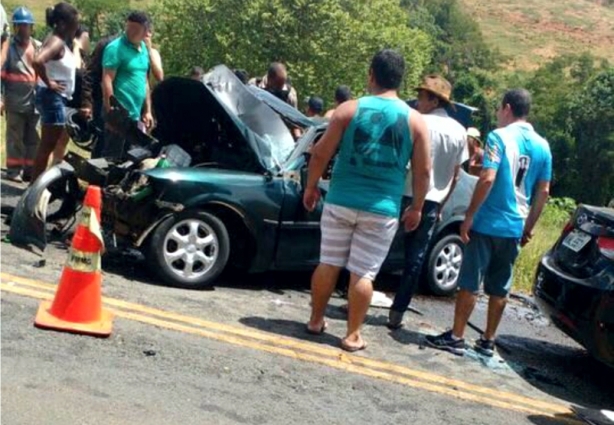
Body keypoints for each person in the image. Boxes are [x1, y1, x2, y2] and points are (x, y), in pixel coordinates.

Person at [303, 49, 431, 352]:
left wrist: (310, 187)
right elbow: (424, 171)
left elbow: (321, 152)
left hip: (341, 199)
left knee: (328, 262)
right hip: (381, 208)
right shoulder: (415, 121)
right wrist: (417, 207)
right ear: (400, 79)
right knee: (363, 273)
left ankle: (316, 320)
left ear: (371, 74)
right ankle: (352, 335)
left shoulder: (348, 110)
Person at [426, 89, 552, 357]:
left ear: (507, 108)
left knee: (470, 281)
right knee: (501, 285)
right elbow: (543, 192)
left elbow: (487, 178)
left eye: (498, 109)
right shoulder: (543, 146)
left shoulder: (499, 137)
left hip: (488, 222)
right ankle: (488, 340)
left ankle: (457, 336)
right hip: (515, 225)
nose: (497, 114)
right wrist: (529, 227)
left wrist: (469, 215)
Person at [387, 75, 468, 329]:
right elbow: (455, 175)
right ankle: (397, 312)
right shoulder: (459, 131)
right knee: (415, 258)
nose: (418, 101)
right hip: (433, 203)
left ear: (434, 100)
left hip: (405, 195)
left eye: (422, 96)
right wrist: (441, 205)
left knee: (379, 247)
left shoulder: (418, 122)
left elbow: (402, 161)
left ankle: (358, 296)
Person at [31, 2, 79, 183]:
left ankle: (39, 186)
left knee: (50, 145)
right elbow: (37, 61)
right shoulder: (57, 42)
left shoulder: (58, 41)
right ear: (63, 23)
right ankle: (33, 190)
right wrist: (49, 82)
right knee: (47, 146)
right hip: (53, 98)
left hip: (56, 98)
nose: (77, 26)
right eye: (75, 22)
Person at [100, 11, 152, 157]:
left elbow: (144, 81)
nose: (131, 32)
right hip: (118, 112)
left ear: (146, 31)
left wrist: (147, 110)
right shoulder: (115, 48)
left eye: (136, 29)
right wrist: (111, 111)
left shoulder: (143, 50)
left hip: (134, 115)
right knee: (112, 156)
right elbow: (107, 79)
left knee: (131, 157)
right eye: (129, 27)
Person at [0, 7, 41, 182]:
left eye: (27, 26)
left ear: (31, 27)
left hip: (35, 102)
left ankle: (29, 170)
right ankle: (14, 170)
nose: (24, 29)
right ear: (15, 27)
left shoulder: (38, 47)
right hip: (15, 101)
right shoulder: (8, 49)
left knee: (34, 139)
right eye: (20, 26)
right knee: (15, 138)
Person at [51, 24, 93, 164]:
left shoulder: (85, 57)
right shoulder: (70, 53)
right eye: (86, 38)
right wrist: (76, 46)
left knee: (63, 140)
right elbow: (76, 72)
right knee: (60, 140)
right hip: (67, 103)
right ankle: (53, 169)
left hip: (77, 105)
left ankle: (55, 167)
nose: (88, 42)